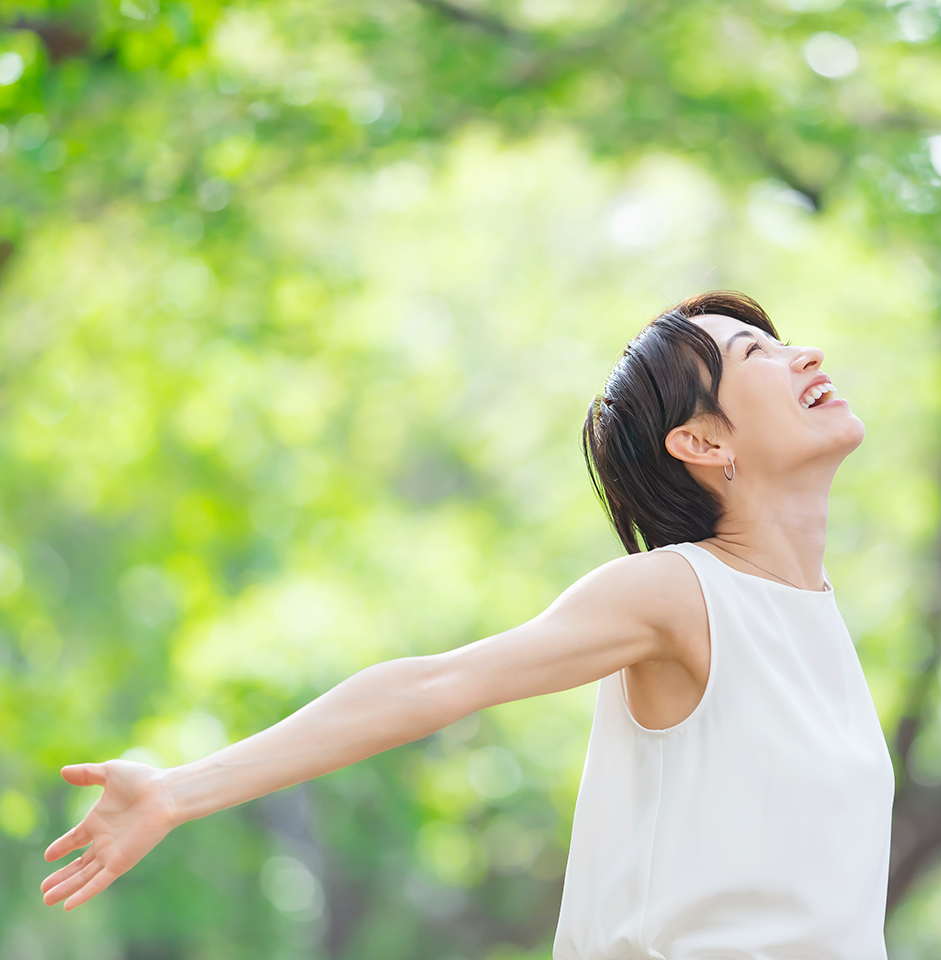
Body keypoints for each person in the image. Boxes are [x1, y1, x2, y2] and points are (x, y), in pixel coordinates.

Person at [41, 291, 895, 958]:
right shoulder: (676, 594)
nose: (804, 354)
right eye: (759, 354)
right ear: (702, 442)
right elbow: (435, 684)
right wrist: (177, 791)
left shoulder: (820, 623)